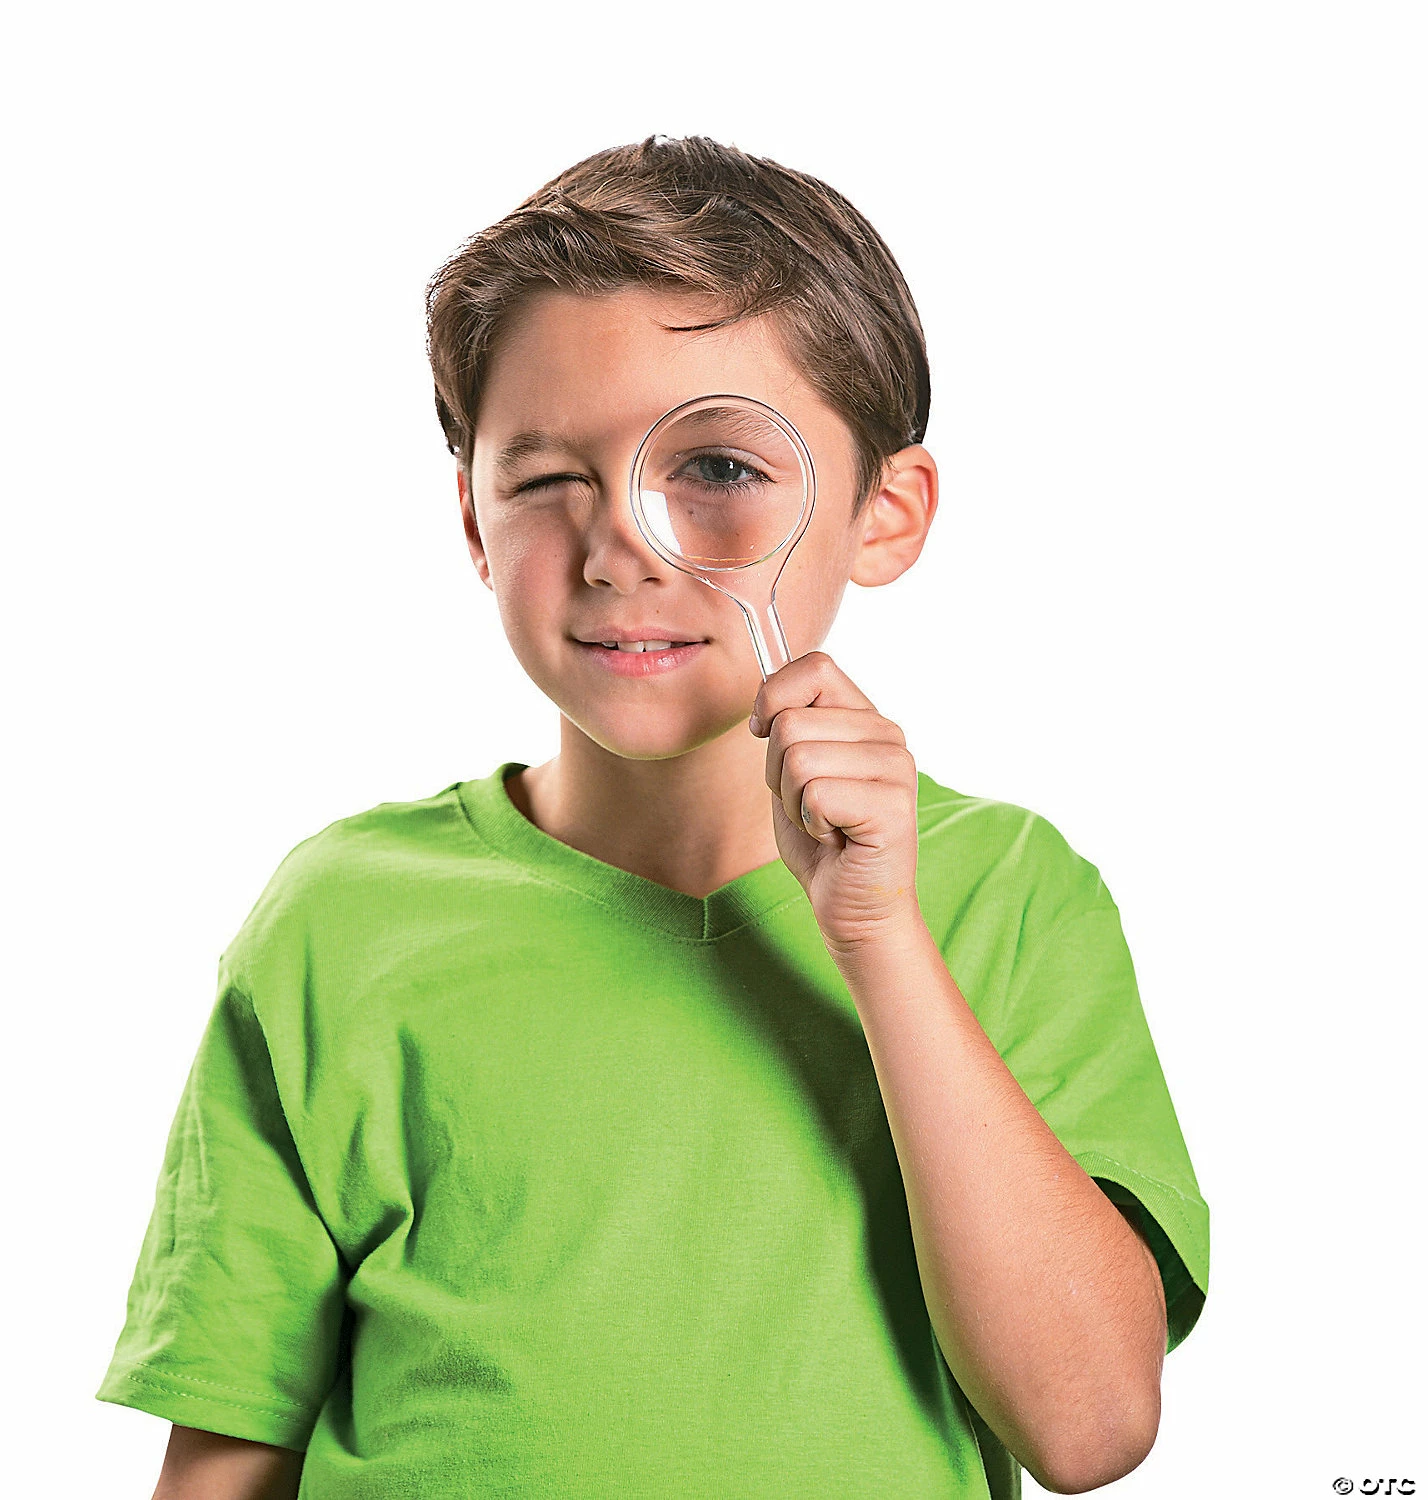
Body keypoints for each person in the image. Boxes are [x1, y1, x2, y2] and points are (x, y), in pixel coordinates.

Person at [98, 134, 1209, 1500]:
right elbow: (226, 1456)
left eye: (720, 470)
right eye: (547, 479)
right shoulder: (342, 918)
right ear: (474, 524)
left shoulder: (1009, 897)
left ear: (885, 513)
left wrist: (879, 938)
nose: (623, 545)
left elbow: (1091, 1427)